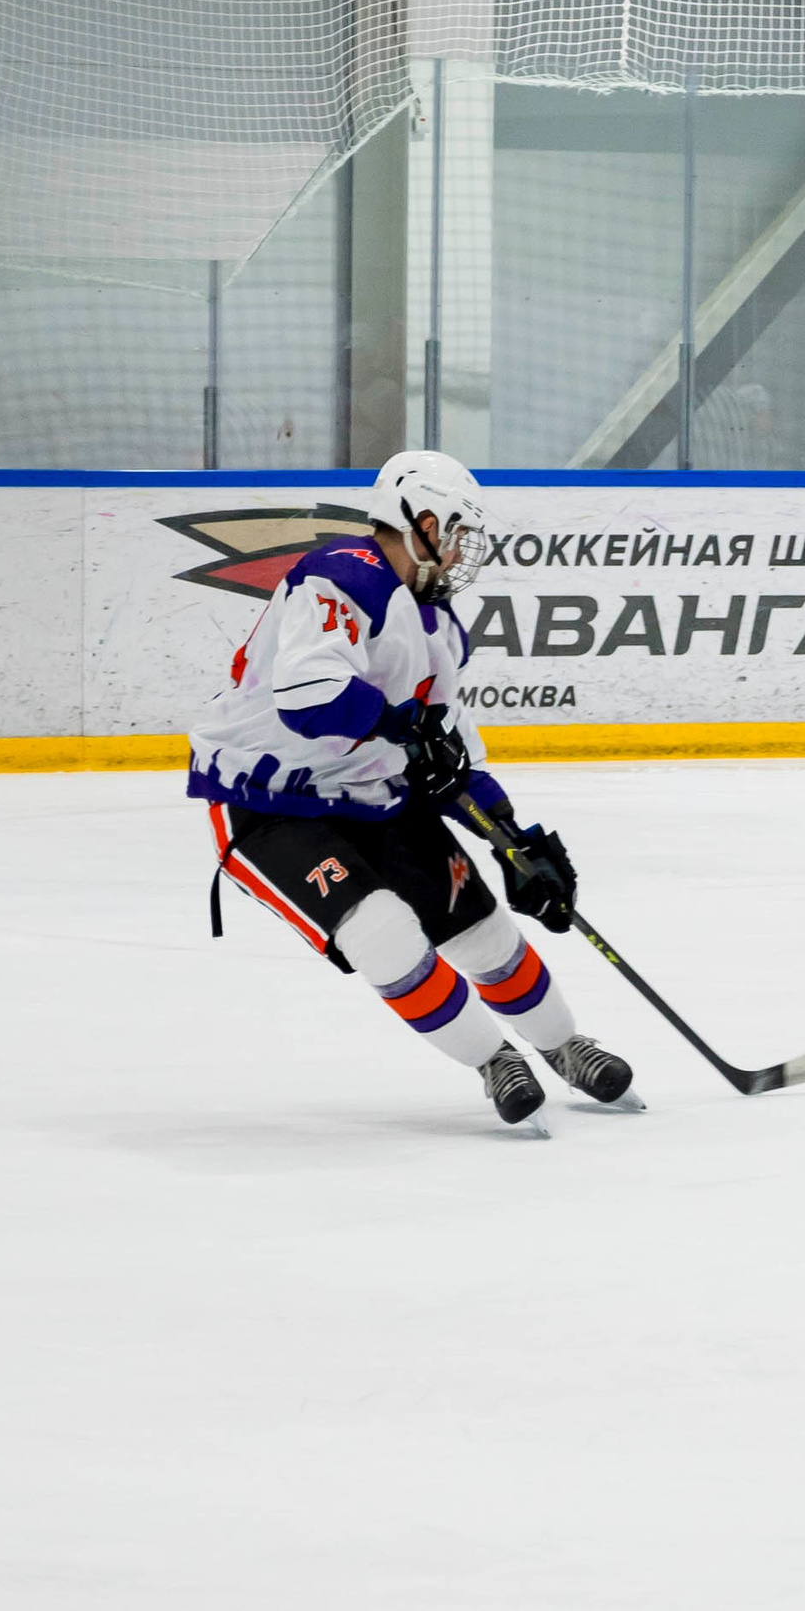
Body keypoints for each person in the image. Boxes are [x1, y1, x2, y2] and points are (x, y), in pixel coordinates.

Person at [187, 451, 632, 1135]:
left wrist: (512, 840)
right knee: (382, 931)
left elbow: (451, 753)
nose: (460, 555)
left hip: (376, 795)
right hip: (269, 804)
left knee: (483, 931)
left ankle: (564, 1043)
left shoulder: (441, 628)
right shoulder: (340, 577)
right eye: (456, 535)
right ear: (424, 522)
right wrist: (400, 725)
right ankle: (493, 1060)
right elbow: (308, 694)